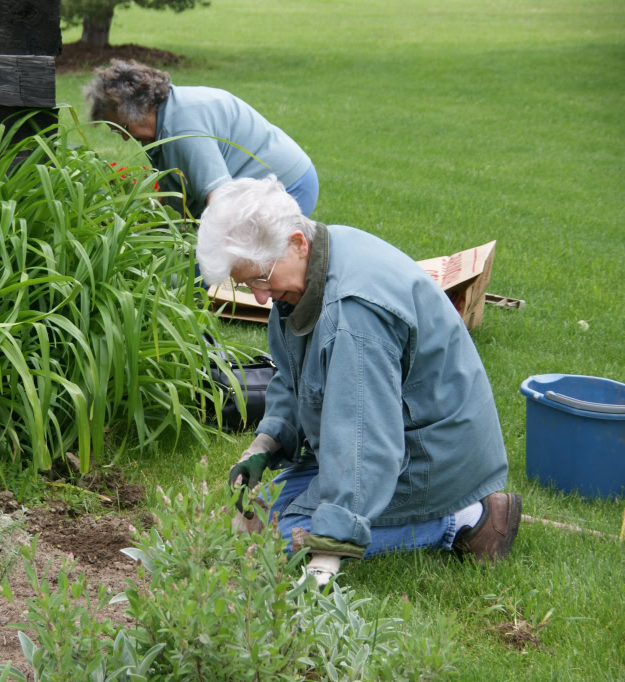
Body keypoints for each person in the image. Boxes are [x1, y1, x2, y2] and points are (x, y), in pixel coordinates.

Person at [196, 176, 522, 587]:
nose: (259, 296)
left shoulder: (354, 316)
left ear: (296, 242)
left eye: (260, 279)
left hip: (430, 455)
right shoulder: (313, 262)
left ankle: (464, 518)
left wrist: (326, 550)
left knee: (278, 541)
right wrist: (268, 442)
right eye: (247, 284)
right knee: (250, 520)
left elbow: (364, 442)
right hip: (391, 436)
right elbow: (295, 380)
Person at [84, 60, 319, 219]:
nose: (125, 138)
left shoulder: (184, 130)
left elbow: (221, 201)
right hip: (256, 187)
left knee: (226, 270)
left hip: (287, 186)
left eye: (122, 127)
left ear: (141, 110)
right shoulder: (164, 116)